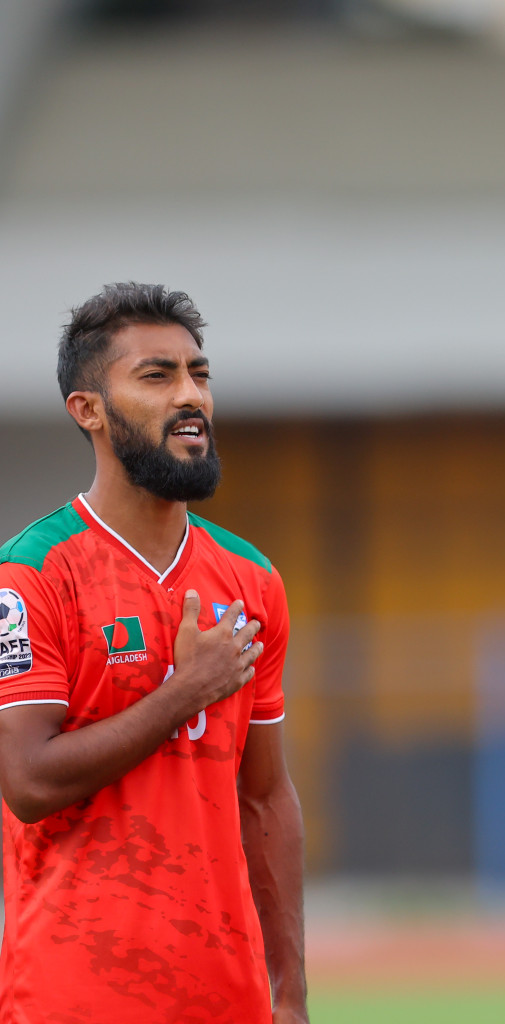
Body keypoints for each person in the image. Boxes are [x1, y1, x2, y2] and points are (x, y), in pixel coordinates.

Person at [0, 283, 307, 1023]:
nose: (190, 396)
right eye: (156, 375)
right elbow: (27, 781)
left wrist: (290, 996)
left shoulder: (253, 580)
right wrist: (183, 692)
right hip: (71, 998)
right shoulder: (32, 573)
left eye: (198, 374)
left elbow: (265, 797)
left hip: (227, 1000)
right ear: (89, 410)